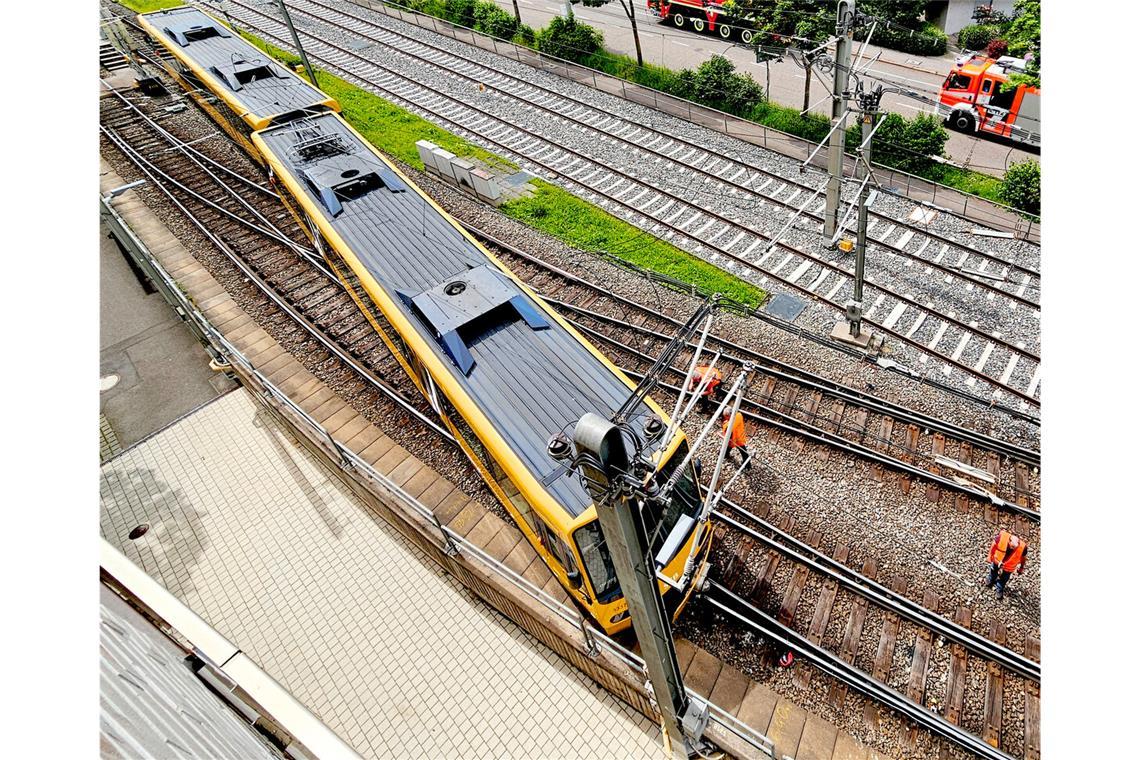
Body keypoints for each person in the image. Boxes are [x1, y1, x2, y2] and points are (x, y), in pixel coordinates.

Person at [985, 529, 1028, 600]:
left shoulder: (1023, 548)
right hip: (997, 560)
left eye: (1014, 547)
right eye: (1011, 546)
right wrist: (990, 555)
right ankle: (991, 579)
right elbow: (994, 544)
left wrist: (1021, 567)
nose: (1012, 548)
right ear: (1009, 541)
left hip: (1009, 567)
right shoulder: (1001, 538)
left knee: (1004, 578)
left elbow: (1023, 558)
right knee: (993, 569)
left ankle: (1000, 587)